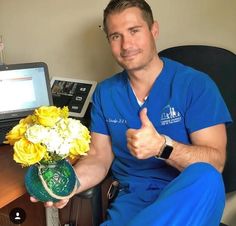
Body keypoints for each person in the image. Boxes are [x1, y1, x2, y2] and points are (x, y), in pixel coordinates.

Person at [31, 0, 232, 225]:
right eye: (116, 36)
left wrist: (163, 147)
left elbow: (216, 163)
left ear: (154, 29)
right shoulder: (106, 93)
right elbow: (99, 157)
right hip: (132, 203)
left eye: (134, 31)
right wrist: (71, 183)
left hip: (187, 200)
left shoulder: (195, 85)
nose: (126, 45)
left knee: (207, 176)